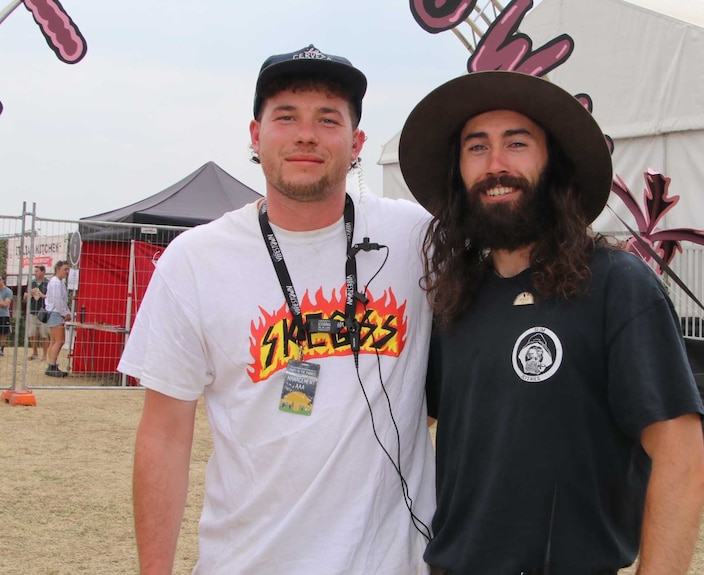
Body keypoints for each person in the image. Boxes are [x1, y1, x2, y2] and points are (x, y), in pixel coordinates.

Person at [118, 44, 435, 575]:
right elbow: (165, 434)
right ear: (255, 134)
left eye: (327, 119)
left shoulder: (418, 239)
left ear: (356, 142)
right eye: (285, 116)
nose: (305, 134)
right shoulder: (195, 261)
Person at [398, 71, 704, 575]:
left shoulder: (616, 286)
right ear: (458, 172)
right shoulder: (455, 296)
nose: (495, 165)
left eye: (516, 144)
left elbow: (683, 467)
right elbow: (415, 428)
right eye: (476, 148)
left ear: (554, 166)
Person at [45, 260, 72, 377]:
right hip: (56, 313)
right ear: (58, 269)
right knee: (59, 340)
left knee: (54, 341)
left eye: (68, 269)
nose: (67, 272)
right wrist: (65, 313)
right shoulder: (56, 283)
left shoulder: (56, 282)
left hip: (54, 313)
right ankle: (52, 364)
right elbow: (58, 301)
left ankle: (51, 364)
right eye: (65, 269)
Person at [27, 264, 50, 360]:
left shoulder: (48, 283)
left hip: (44, 312)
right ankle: (35, 353)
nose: (35, 273)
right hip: (32, 310)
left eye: (37, 271)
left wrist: (42, 295)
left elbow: (51, 297)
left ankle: (45, 355)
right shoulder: (31, 282)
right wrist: (30, 292)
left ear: (43, 272)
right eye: (35, 271)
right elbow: (24, 296)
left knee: (44, 334)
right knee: (32, 334)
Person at [0, 275, 12, 356]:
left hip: (4, 315)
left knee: (3, 333)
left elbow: (6, 304)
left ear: (2, 280)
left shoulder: (8, 291)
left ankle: (2, 350)